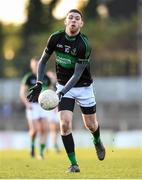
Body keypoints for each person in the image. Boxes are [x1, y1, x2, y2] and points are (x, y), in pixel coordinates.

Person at [27, 9, 105, 172]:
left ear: (81, 24)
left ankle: (97, 141)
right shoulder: (55, 38)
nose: (73, 20)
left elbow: (77, 75)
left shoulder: (84, 44)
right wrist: (40, 83)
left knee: (91, 125)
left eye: (77, 18)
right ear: (65, 21)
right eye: (70, 18)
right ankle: (74, 164)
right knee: (64, 123)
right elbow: (42, 61)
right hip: (63, 86)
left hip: (83, 87)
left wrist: (60, 94)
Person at [20, 57, 51, 160]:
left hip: (43, 106)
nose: (36, 66)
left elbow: (51, 92)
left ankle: (41, 153)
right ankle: (32, 145)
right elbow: (22, 92)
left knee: (45, 129)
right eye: (34, 64)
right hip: (32, 106)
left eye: (38, 64)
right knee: (35, 130)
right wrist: (27, 104)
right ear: (31, 65)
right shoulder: (29, 77)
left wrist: (52, 104)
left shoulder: (46, 77)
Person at [46, 71, 60, 153]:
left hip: (55, 110)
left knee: (56, 129)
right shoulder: (47, 87)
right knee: (50, 128)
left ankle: (54, 145)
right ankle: (47, 146)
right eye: (50, 77)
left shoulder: (56, 87)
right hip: (49, 111)